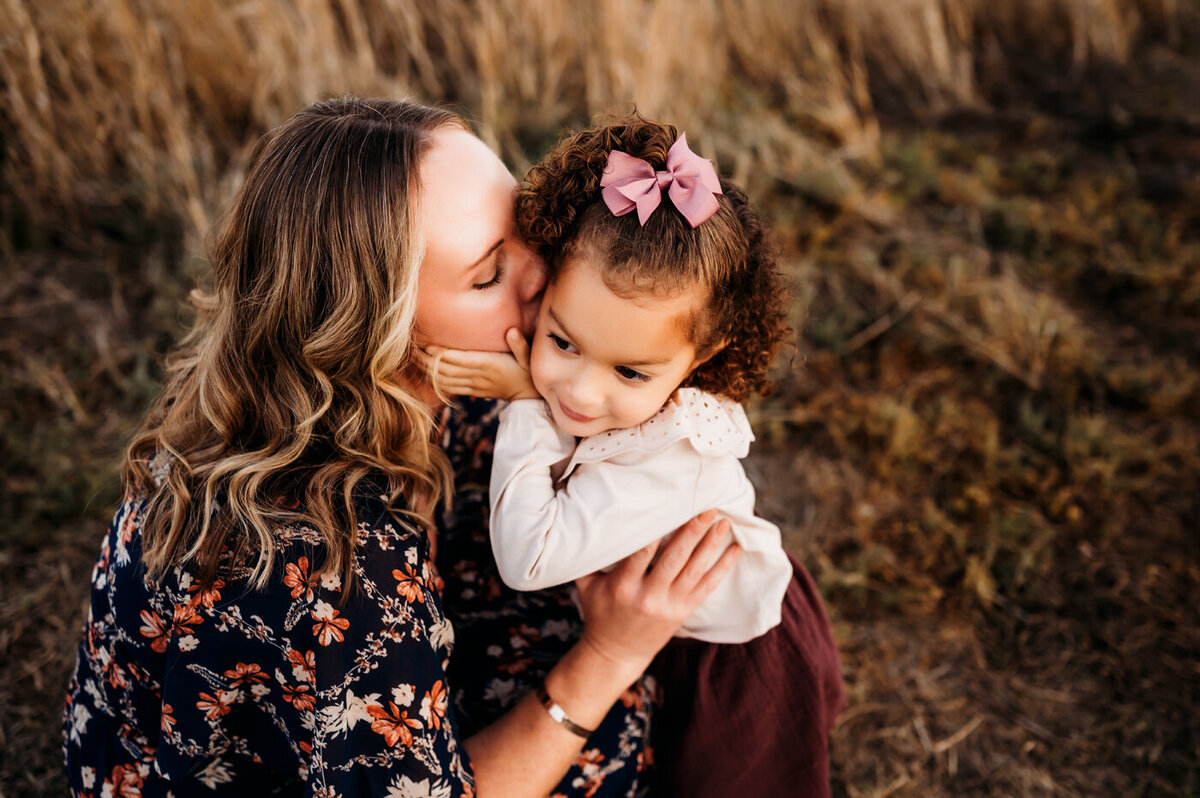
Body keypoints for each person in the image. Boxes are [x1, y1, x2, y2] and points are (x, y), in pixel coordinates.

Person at [60, 98, 741, 798]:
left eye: (524, 234)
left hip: (349, 691)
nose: (540, 273)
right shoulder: (335, 566)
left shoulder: (315, 388)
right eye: (487, 276)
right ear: (375, 334)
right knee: (613, 716)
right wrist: (607, 655)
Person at [429, 117, 847, 797]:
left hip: (736, 662)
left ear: (699, 358)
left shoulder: (672, 458)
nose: (581, 394)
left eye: (629, 373)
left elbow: (528, 555)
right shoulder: (630, 391)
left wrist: (528, 403)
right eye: (562, 342)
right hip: (671, 618)